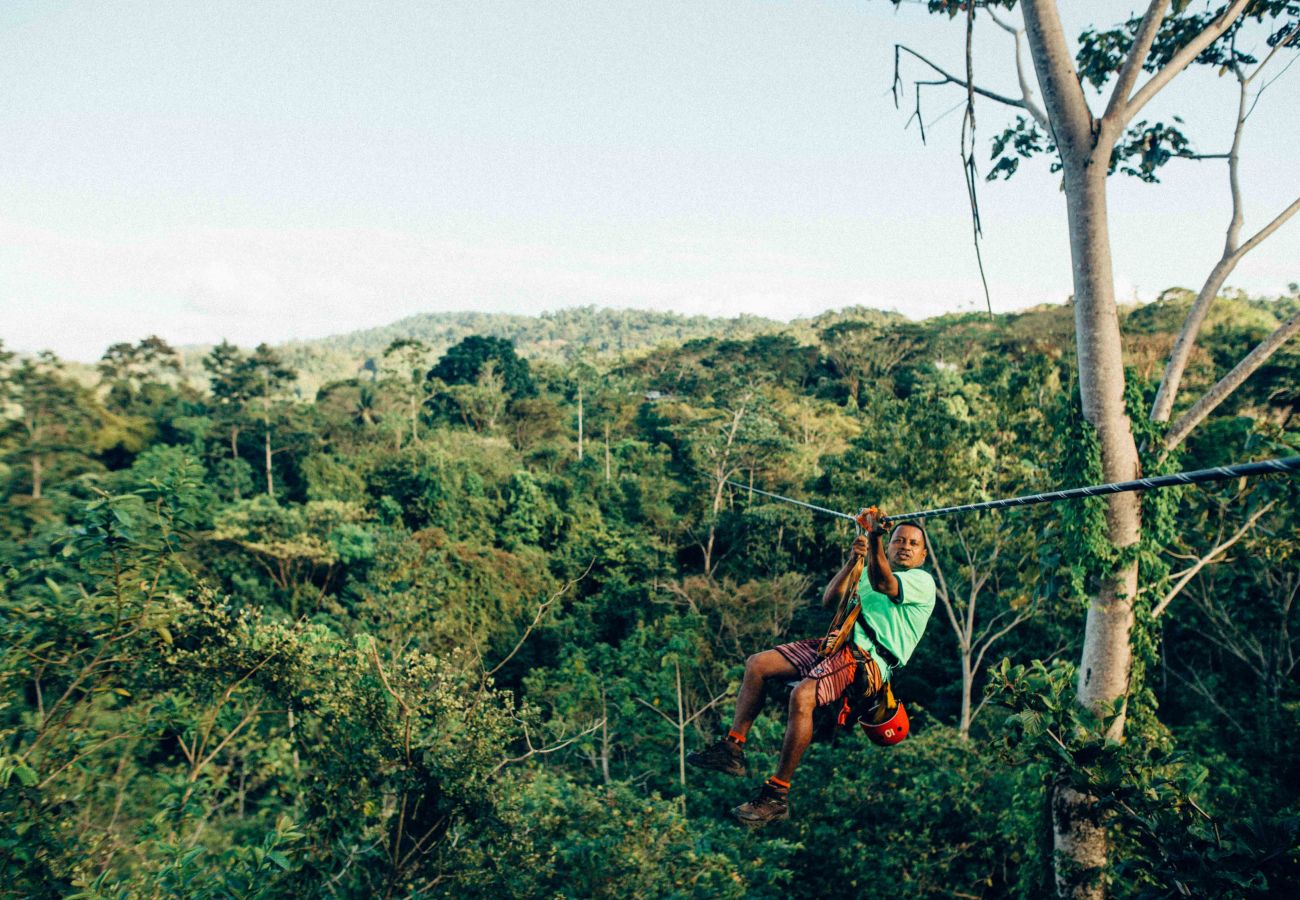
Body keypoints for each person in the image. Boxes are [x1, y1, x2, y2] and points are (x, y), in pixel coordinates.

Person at [686, 511, 936, 826]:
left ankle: (776, 795)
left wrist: (874, 536)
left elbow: (885, 582)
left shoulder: (921, 581)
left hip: (866, 661)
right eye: (898, 540)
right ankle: (732, 748)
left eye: (913, 543)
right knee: (758, 665)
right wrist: (852, 561)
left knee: (802, 697)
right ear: (889, 547)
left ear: (923, 555)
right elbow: (831, 600)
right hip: (836, 644)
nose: (904, 546)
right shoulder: (872, 570)